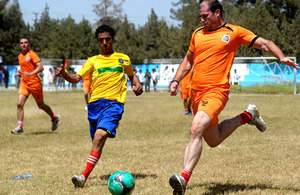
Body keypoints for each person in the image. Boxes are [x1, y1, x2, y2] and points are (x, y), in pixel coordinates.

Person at [168, 0, 300, 194]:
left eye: (205, 15)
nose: (202, 19)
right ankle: (248, 116)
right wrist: (176, 80)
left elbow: (264, 43)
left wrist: (280, 57)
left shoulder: (234, 32)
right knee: (214, 140)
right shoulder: (197, 34)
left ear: (217, 13)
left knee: (196, 127)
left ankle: (184, 178)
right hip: (197, 94)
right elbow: (188, 61)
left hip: (216, 92)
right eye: (201, 16)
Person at [55, 24, 143, 188]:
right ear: (98, 41)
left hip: (114, 104)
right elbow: (76, 78)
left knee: (99, 137)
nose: (104, 42)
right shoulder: (92, 61)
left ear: (112, 39)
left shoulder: (123, 59)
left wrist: (137, 85)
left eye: (107, 39)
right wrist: (64, 74)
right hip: (94, 106)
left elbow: (132, 77)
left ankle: (83, 177)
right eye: (101, 40)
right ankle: (88, 171)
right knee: (96, 143)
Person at [11, 38, 60, 135]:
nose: (24, 44)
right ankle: (20, 127)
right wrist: (21, 73)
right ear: (20, 45)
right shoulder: (20, 56)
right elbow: (25, 69)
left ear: (28, 44)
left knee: (40, 105)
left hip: (35, 84)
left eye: (25, 43)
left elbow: (41, 67)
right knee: (19, 104)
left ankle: (54, 118)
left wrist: (30, 74)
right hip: (24, 84)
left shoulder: (32, 54)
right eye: (22, 43)